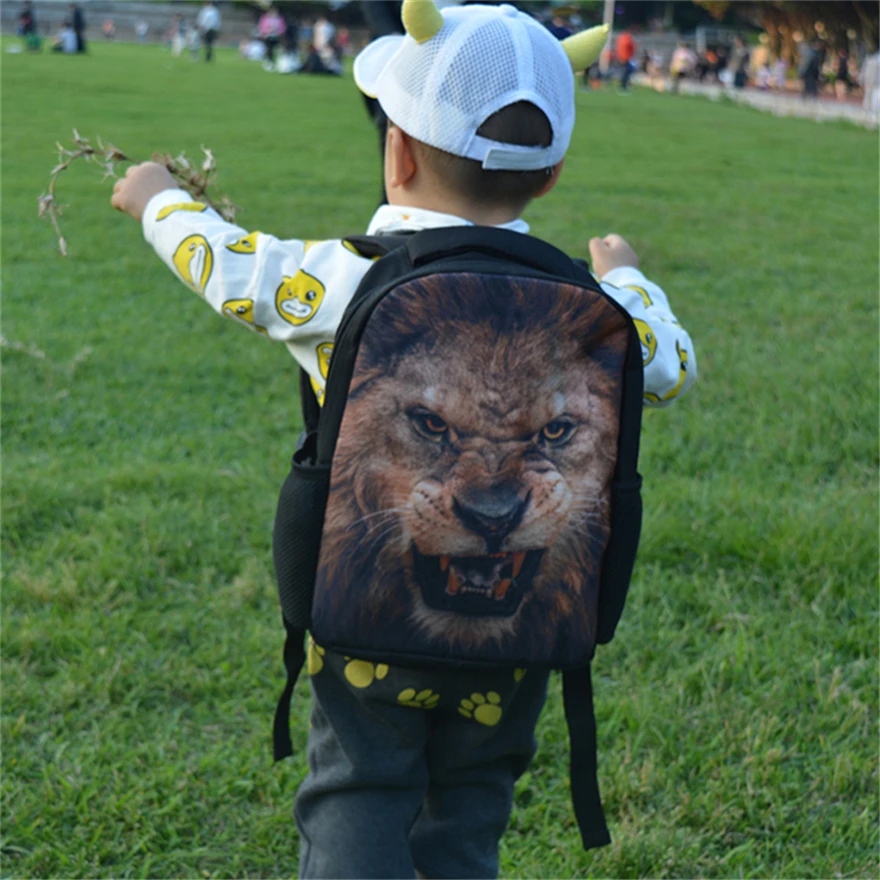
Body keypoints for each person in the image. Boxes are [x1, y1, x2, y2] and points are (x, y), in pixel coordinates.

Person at [108, 3, 697, 875]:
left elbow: (224, 262)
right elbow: (670, 364)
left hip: (364, 619)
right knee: (470, 811)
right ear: (552, 174)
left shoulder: (344, 278)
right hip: (522, 628)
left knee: (357, 792)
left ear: (399, 151)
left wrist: (156, 198)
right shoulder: (596, 311)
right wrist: (627, 275)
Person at [614, 26, 637, 92]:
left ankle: (625, 85)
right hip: (625, 57)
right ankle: (623, 86)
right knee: (627, 72)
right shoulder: (627, 38)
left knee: (626, 72)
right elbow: (630, 46)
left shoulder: (621, 38)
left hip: (622, 57)